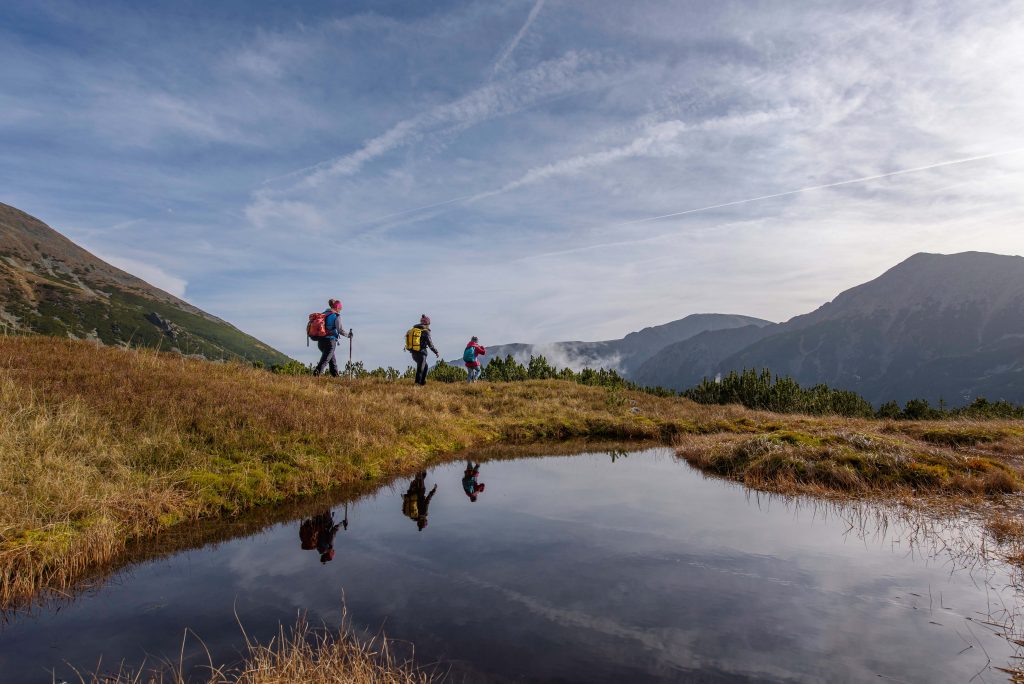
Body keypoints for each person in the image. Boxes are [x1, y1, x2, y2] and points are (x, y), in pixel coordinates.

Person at [313, 299, 351, 377]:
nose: (340, 310)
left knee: (332, 360)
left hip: (320, 342)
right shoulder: (336, 316)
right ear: (337, 307)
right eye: (340, 309)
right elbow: (340, 330)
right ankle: (315, 377)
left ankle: (336, 377)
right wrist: (349, 335)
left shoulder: (323, 314)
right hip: (330, 342)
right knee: (325, 361)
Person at [404, 314, 439, 386]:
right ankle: (417, 385)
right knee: (420, 369)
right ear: (427, 323)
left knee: (425, 367)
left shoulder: (414, 330)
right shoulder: (425, 331)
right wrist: (436, 352)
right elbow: (430, 344)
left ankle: (422, 383)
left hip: (413, 352)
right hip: (421, 353)